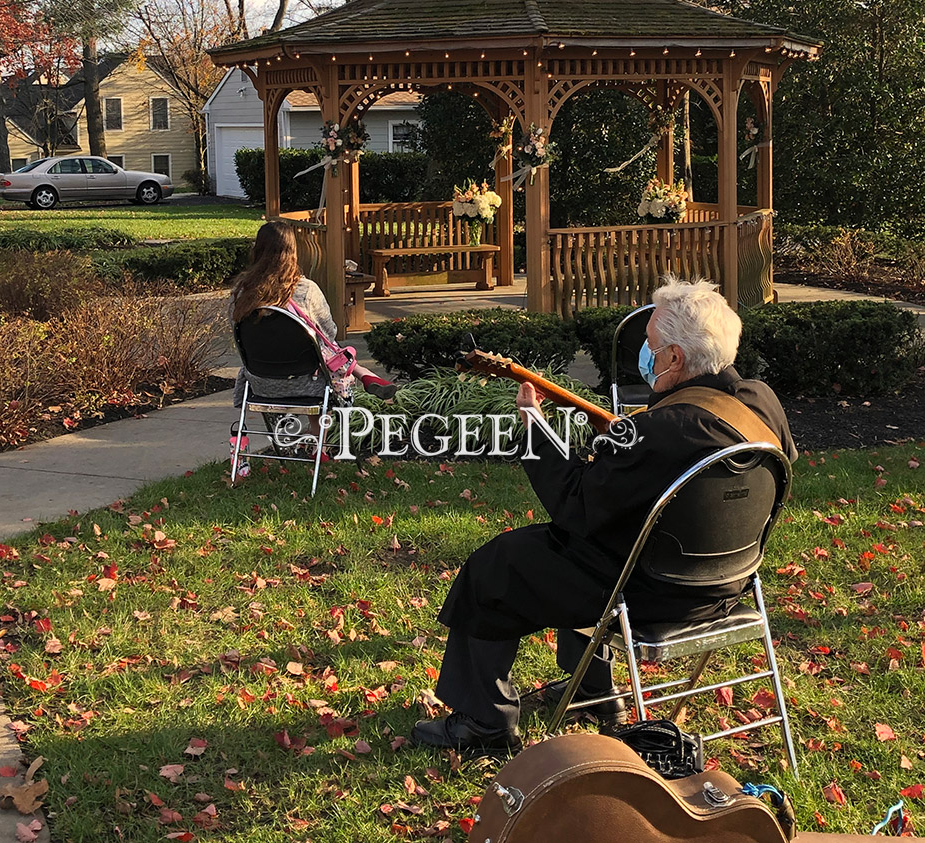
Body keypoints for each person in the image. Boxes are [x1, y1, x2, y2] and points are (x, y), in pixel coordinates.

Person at [410, 276, 797, 754]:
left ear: (674, 358)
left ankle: (483, 722)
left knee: (500, 563)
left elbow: (574, 505)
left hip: (651, 595)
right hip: (730, 585)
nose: (646, 355)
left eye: (652, 346)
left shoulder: (656, 431)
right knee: (593, 546)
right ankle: (597, 693)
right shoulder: (762, 402)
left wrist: (533, 428)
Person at [230, 220, 396, 476]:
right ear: (293, 251)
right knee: (327, 358)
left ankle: (360, 375)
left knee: (319, 358)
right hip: (308, 382)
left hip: (260, 382)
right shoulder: (306, 290)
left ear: (258, 250)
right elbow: (330, 332)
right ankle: (321, 446)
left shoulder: (242, 292)